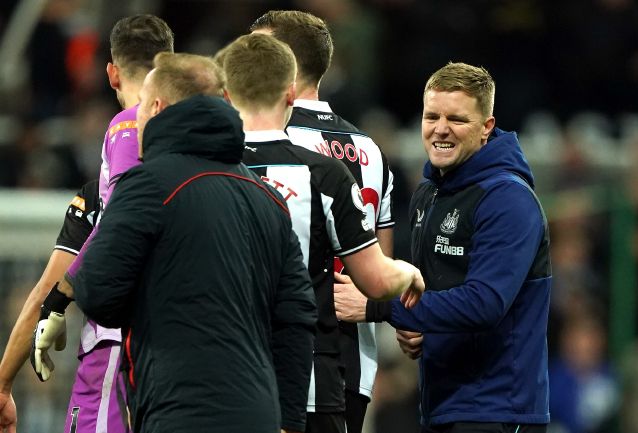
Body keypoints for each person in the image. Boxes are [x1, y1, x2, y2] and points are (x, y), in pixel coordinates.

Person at [68, 52, 317, 433]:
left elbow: (98, 291)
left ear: (157, 107)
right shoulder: (268, 198)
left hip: (178, 410)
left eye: (140, 110)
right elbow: (296, 318)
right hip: (260, 414)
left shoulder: (148, 185)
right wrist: (290, 421)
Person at [220, 33, 424, 433]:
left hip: (222, 375)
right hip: (326, 368)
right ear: (288, 92)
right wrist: (408, 279)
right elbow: (377, 275)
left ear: (226, 93)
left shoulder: (201, 168)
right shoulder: (353, 160)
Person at [333, 62, 552, 432]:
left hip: (499, 411)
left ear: (487, 128)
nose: (441, 129)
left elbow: (484, 303)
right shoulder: (428, 193)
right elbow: (432, 292)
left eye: (457, 119)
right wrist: (416, 328)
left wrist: (378, 306)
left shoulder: (508, 199)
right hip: (442, 404)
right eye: (431, 115)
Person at [249, 11, 395, 433]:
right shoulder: (370, 148)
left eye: (256, 51)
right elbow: (382, 257)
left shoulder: (270, 143)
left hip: (285, 356)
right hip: (354, 362)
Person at [29, 14, 174, 433]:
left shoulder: (129, 126)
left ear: (111, 72)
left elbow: (124, 223)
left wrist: (60, 297)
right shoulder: (201, 145)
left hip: (120, 334)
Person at [0, 179, 99, 433]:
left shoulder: (104, 195)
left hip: (119, 376)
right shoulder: (209, 185)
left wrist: (2, 386)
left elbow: (47, 292)